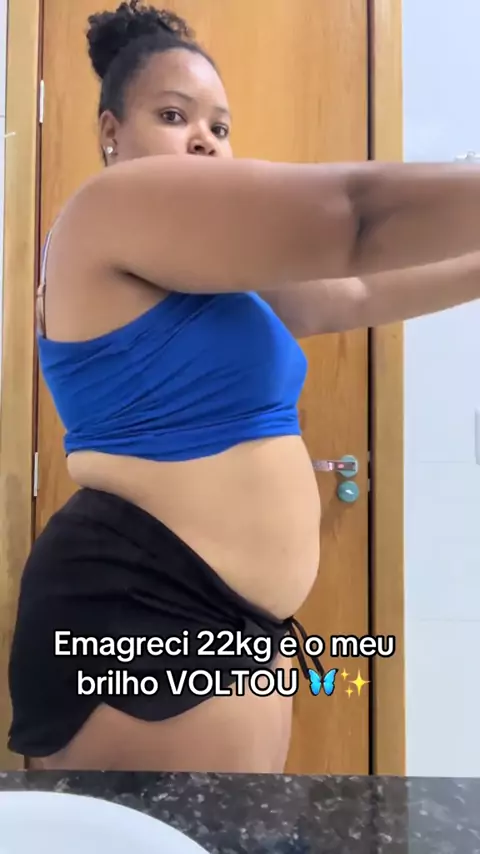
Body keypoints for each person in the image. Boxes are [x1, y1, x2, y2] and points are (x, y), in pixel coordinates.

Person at [7, 0, 480, 774]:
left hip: (225, 622)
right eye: (173, 115)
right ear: (110, 133)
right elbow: (356, 219)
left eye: (220, 128)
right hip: (144, 607)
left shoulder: (218, 276)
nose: (204, 139)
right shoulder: (104, 213)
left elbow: (357, 292)